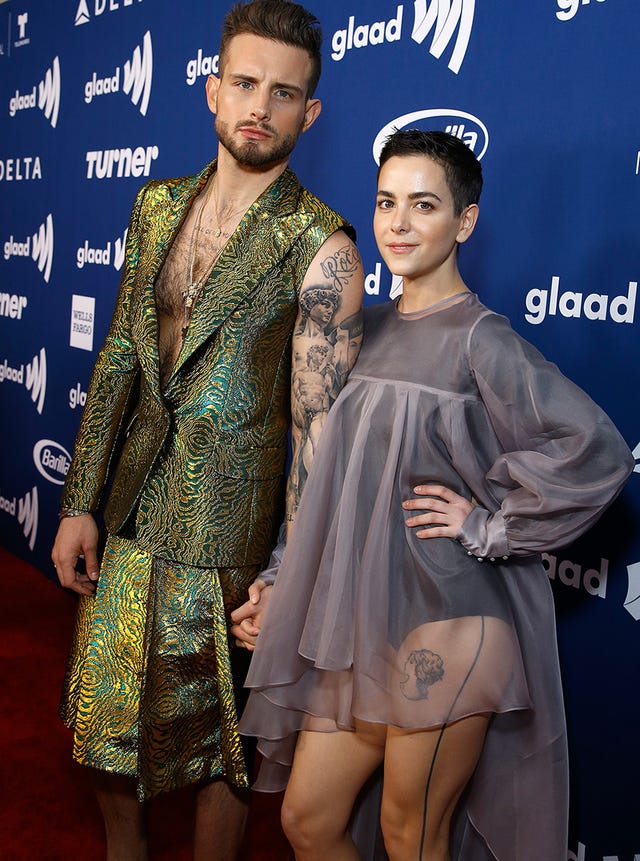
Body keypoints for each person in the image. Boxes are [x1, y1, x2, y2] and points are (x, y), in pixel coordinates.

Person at [234, 130, 634, 860]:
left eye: (424, 204)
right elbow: (326, 479)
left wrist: (486, 523)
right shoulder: (362, 330)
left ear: (465, 221)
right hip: (361, 628)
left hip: (451, 621)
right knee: (307, 819)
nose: (399, 223)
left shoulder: (482, 338)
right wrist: (280, 579)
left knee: (410, 835)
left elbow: (597, 449)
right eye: (387, 202)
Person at [51, 1, 363, 858]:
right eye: (245, 82)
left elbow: (320, 434)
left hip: (231, 531)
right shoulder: (156, 206)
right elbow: (119, 354)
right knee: (104, 717)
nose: (261, 104)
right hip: (128, 509)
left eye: (285, 92)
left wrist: (286, 571)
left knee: (223, 740)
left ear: (311, 112)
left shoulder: (322, 245)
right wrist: (80, 501)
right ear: (212, 91)